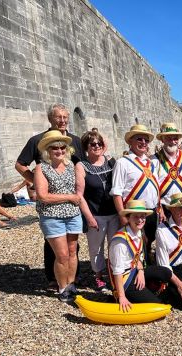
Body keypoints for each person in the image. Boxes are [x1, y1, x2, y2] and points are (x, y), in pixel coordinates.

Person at [15, 103, 85, 290]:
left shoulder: (75, 140)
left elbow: (81, 166)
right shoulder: (37, 140)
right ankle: (53, 278)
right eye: (58, 117)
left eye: (65, 117)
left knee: (72, 247)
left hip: (72, 206)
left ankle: (72, 278)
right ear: (50, 119)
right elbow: (20, 165)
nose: (62, 120)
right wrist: (37, 182)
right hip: (50, 205)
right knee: (53, 243)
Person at [108, 200, 182, 313]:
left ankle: (170, 290)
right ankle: (123, 297)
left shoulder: (138, 232)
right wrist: (121, 297)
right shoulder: (120, 242)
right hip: (124, 280)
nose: (140, 220)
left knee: (164, 271)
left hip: (135, 271)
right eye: (136, 217)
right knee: (158, 306)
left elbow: (137, 257)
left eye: (143, 216)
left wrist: (140, 271)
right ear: (128, 217)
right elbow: (117, 271)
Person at [33, 130, 84, 301]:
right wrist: (70, 197)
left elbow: (79, 189)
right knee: (61, 255)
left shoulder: (72, 166)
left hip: (73, 214)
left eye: (63, 147)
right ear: (48, 150)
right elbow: (43, 195)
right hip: (52, 216)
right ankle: (63, 288)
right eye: (55, 147)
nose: (59, 150)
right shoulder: (41, 168)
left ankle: (71, 285)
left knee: (72, 252)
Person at [78, 130, 120, 291]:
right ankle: (99, 277)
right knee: (96, 249)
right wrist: (89, 217)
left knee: (115, 246)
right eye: (92, 144)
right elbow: (79, 195)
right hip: (96, 214)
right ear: (86, 147)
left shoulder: (110, 161)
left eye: (99, 143)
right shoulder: (82, 166)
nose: (97, 146)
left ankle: (115, 275)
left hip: (114, 214)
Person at [110, 124, 161, 246]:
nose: (143, 142)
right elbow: (116, 193)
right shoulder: (122, 163)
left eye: (146, 140)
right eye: (139, 139)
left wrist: (160, 208)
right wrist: (122, 216)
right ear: (130, 141)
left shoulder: (152, 163)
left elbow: (155, 188)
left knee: (148, 243)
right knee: (135, 245)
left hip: (152, 212)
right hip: (134, 213)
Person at [154, 122, 182, 210]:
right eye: (168, 138)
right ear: (162, 140)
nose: (173, 141)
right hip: (164, 207)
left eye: (175, 138)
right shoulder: (154, 160)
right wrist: (159, 207)